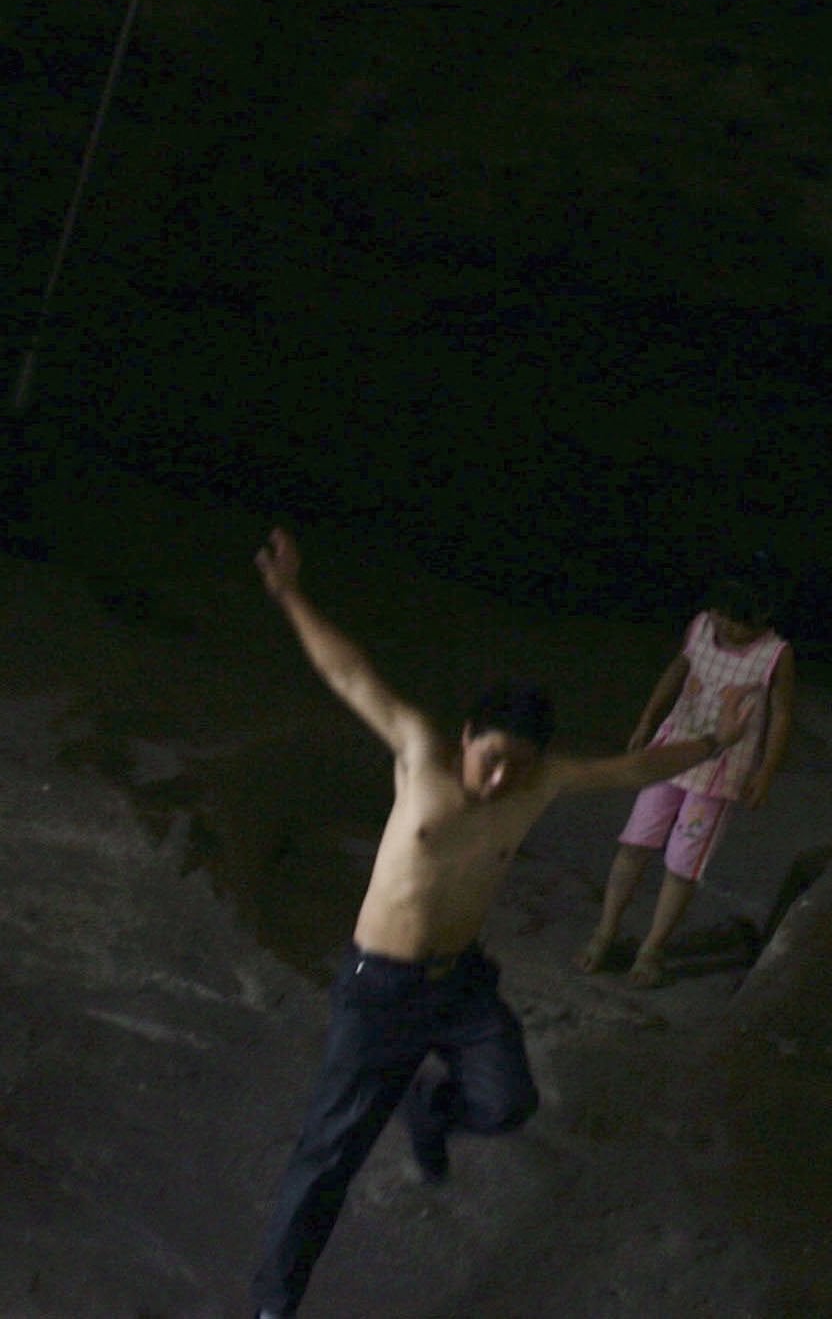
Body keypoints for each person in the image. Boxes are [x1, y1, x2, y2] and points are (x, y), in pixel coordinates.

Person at [249, 526, 756, 1319]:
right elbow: (349, 674)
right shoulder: (419, 753)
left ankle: (430, 1108)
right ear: (464, 737)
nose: (499, 778)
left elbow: (635, 768)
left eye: (517, 766)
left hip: (460, 985)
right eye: (489, 758)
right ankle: (274, 1306)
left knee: (508, 1102)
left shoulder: (540, 781)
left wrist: (718, 738)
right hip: (378, 988)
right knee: (328, 1158)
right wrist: (289, 593)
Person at [577, 571, 794, 987]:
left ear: (765, 617)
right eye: (722, 616)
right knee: (634, 845)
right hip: (671, 756)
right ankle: (604, 933)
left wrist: (766, 770)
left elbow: (782, 713)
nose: (727, 627)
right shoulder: (700, 627)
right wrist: (648, 718)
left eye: (740, 621)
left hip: (718, 775)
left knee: (682, 865)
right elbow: (679, 668)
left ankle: (652, 949)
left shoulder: (775, 655)